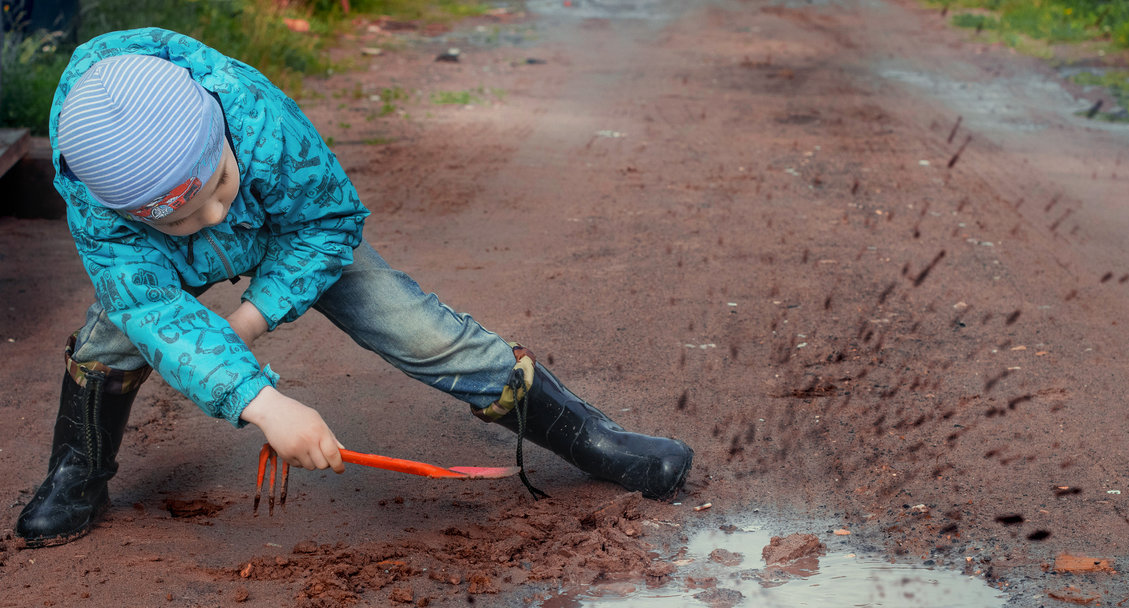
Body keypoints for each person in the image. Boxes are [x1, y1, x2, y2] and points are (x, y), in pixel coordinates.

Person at [15, 27, 693, 549]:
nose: (214, 217)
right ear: (127, 214)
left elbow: (328, 221)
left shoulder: (253, 115)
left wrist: (251, 317)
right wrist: (263, 403)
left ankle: (590, 437)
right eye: (182, 219)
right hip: (146, 278)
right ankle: (78, 474)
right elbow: (151, 307)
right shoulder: (101, 213)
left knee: (414, 325)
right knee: (118, 333)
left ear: (222, 132)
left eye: (220, 185)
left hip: (295, 234)